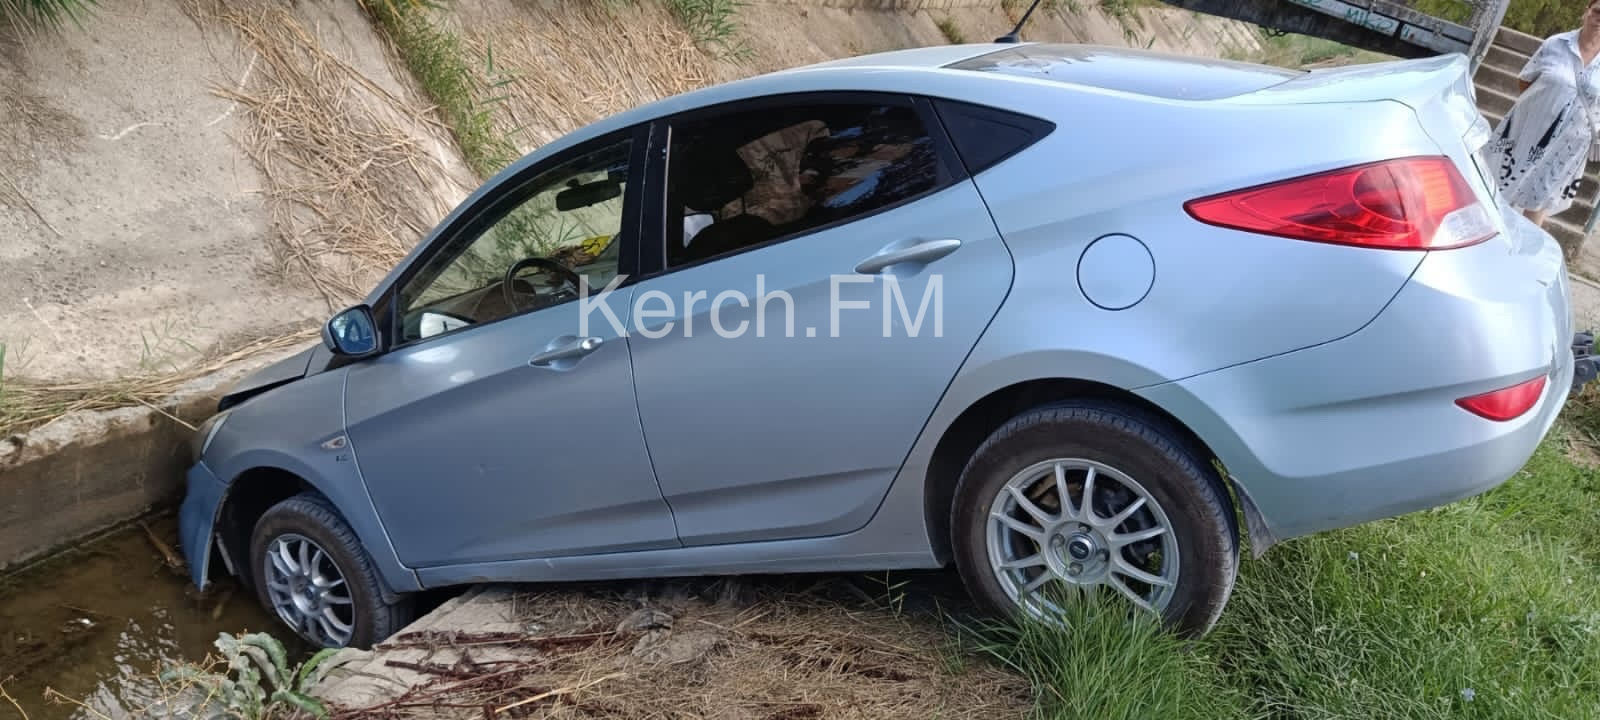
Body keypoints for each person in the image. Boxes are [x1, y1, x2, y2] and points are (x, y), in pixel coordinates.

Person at [1486, 1, 1600, 228]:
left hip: (1570, 144)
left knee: (1540, 201)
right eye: (1597, 12)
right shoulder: (1556, 44)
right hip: (1530, 130)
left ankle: (1522, 247)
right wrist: (1543, 109)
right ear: (1586, 11)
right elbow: (1526, 80)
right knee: (1504, 187)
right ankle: (1487, 236)